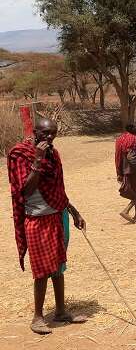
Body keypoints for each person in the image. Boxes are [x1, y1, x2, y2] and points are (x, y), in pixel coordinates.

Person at [7, 118, 87, 334]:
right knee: (41, 270)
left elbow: (58, 188)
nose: (50, 138)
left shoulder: (54, 153)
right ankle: (38, 317)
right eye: (45, 133)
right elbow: (24, 190)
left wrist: (73, 211)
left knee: (58, 267)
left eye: (54, 133)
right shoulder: (19, 153)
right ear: (35, 132)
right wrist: (38, 161)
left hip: (56, 215)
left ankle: (61, 311)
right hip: (36, 219)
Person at [115, 123, 136, 221]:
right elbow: (131, 157)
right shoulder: (133, 139)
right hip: (132, 170)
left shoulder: (121, 138)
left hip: (123, 169)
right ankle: (126, 211)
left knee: (135, 190)